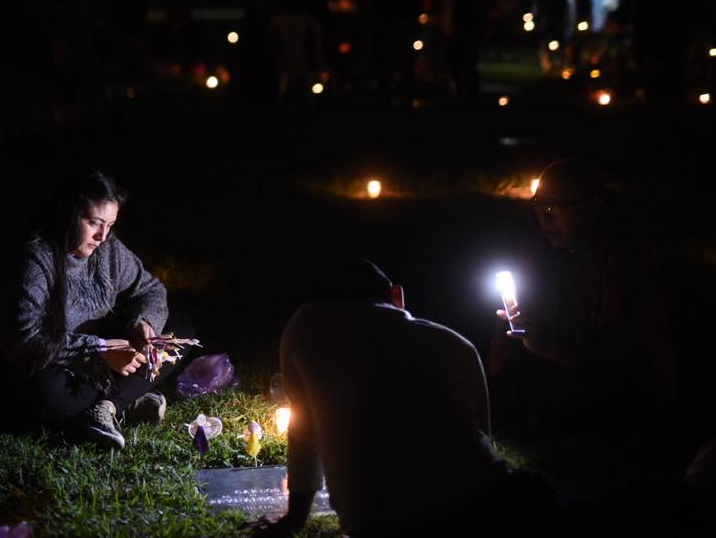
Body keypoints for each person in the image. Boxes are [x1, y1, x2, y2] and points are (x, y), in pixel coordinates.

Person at [266, 260, 554, 537]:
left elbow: (304, 435)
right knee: (537, 490)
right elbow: (481, 432)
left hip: (377, 521)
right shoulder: (455, 343)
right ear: (397, 295)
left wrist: (294, 519)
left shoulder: (304, 327)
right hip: (480, 501)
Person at [0, 170, 178, 449]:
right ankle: (123, 400)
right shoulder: (36, 258)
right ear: (69, 214)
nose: (102, 236)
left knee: (178, 331)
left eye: (110, 224)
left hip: (108, 353)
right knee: (43, 391)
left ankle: (105, 408)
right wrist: (98, 351)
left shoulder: (109, 250)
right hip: (62, 365)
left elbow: (151, 289)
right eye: (94, 223)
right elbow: (26, 340)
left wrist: (142, 325)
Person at [489, 158, 675, 424]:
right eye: (538, 206)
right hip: (554, 366)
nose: (545, 218)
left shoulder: (625, 257)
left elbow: (615, 353)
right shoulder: (536, 246)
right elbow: (509, 327)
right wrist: (499, 378)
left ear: (593, 206)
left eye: (556, 207)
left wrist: (543, 343)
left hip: (616, 382)